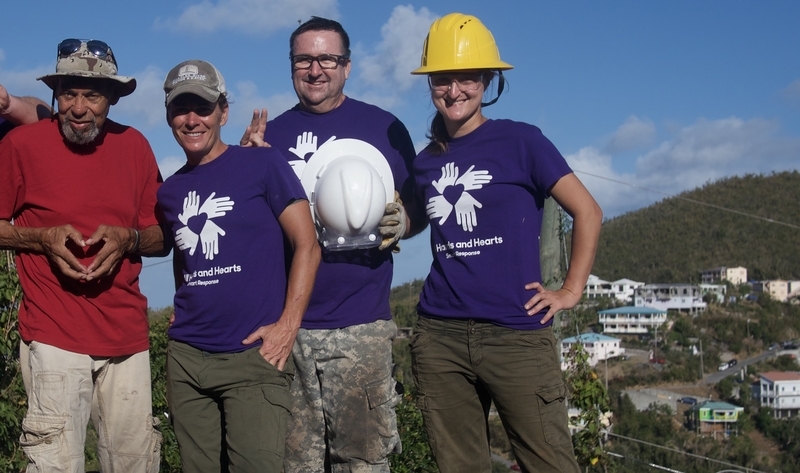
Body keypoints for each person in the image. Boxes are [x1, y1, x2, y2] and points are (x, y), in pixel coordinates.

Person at [407, 13, 603, 473]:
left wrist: (571, 291)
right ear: (429, 83)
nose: (454, 90)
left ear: (488, 80)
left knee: (550, 464)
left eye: (467, 78)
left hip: (517, 332)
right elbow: (417, 218)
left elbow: (588, 211)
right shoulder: (424, 162)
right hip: (440, 336)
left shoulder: (522, 141)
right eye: (442, 79)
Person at [240, 16, 415, 473]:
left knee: (364, 462)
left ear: (348, 66)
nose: (315, 69)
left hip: (361, 327)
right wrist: (241, 166)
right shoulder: (268, 137)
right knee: (293, 464)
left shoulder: (386, 128)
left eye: (327, 59)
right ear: (291, 65)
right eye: (304, 59)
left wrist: (407, 220)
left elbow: (417, 205)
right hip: (286, 331)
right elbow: (248, 230)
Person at [0, 39, 165, 472]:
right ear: (55, 95)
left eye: (91, 95)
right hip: (53, 336)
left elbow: (162, 235)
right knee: (54, 464)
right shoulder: (21, 145)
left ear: (111, 98)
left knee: (135, 464)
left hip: (127, 340)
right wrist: (42, 239)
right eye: (68, 93)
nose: (78, 107)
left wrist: (129, 239)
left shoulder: (136, 147)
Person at [158, 59, 320, 472]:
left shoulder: (263, 165)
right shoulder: (170, 191)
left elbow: (308, 245)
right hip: (187, 360)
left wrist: (288, 325)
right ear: (168, 116)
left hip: (252, 357)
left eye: (203, 108)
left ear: (223, 112)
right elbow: (186, 256)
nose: (192, 119)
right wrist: (184, 303)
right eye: (181, 108)